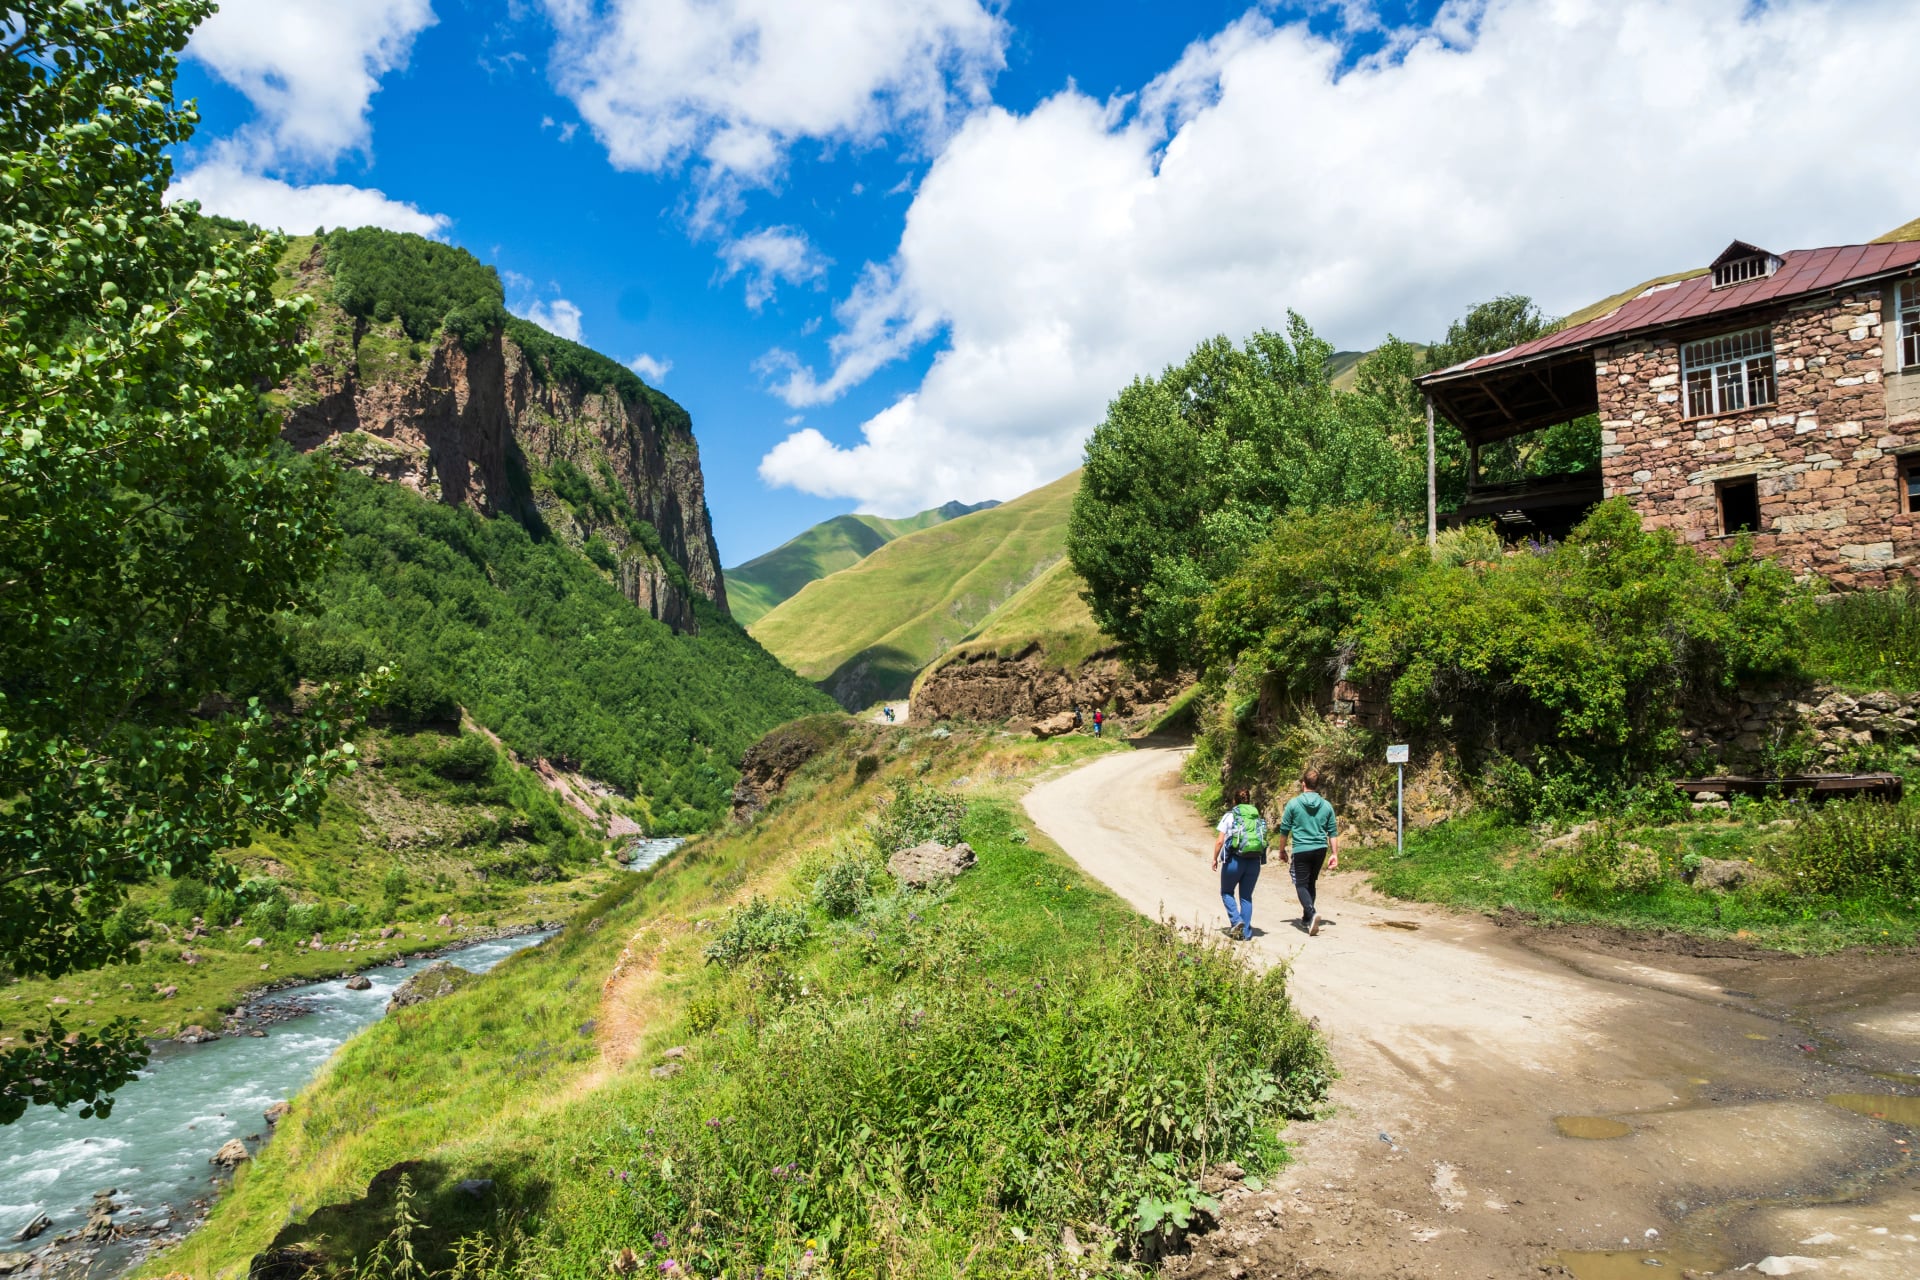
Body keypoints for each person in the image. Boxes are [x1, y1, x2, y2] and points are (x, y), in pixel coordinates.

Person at [1276, 768, 1339, 935]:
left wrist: (1281, 850)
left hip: (1302, 848)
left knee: (1301, 883)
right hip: (1320, 849)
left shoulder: (1294, 804)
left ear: (1303, 783)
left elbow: (1284, 830)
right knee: (1311, 882)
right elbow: (1332, 831)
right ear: (1317, 785)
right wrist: (1335, 854)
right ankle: (1306, 919)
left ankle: (1311, 913)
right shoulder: (1326, 806)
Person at [1211, 787, 1267, 940]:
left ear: (1234, 801)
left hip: (1235, 860)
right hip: (1254, 860)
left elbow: (1220, 841)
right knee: (1246, 897)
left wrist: (1215, 858)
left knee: (1227, 892)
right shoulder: (1256, 816)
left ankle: (1237, 921)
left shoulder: (1230, 816)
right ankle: (1246, 934)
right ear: (1249, 800)